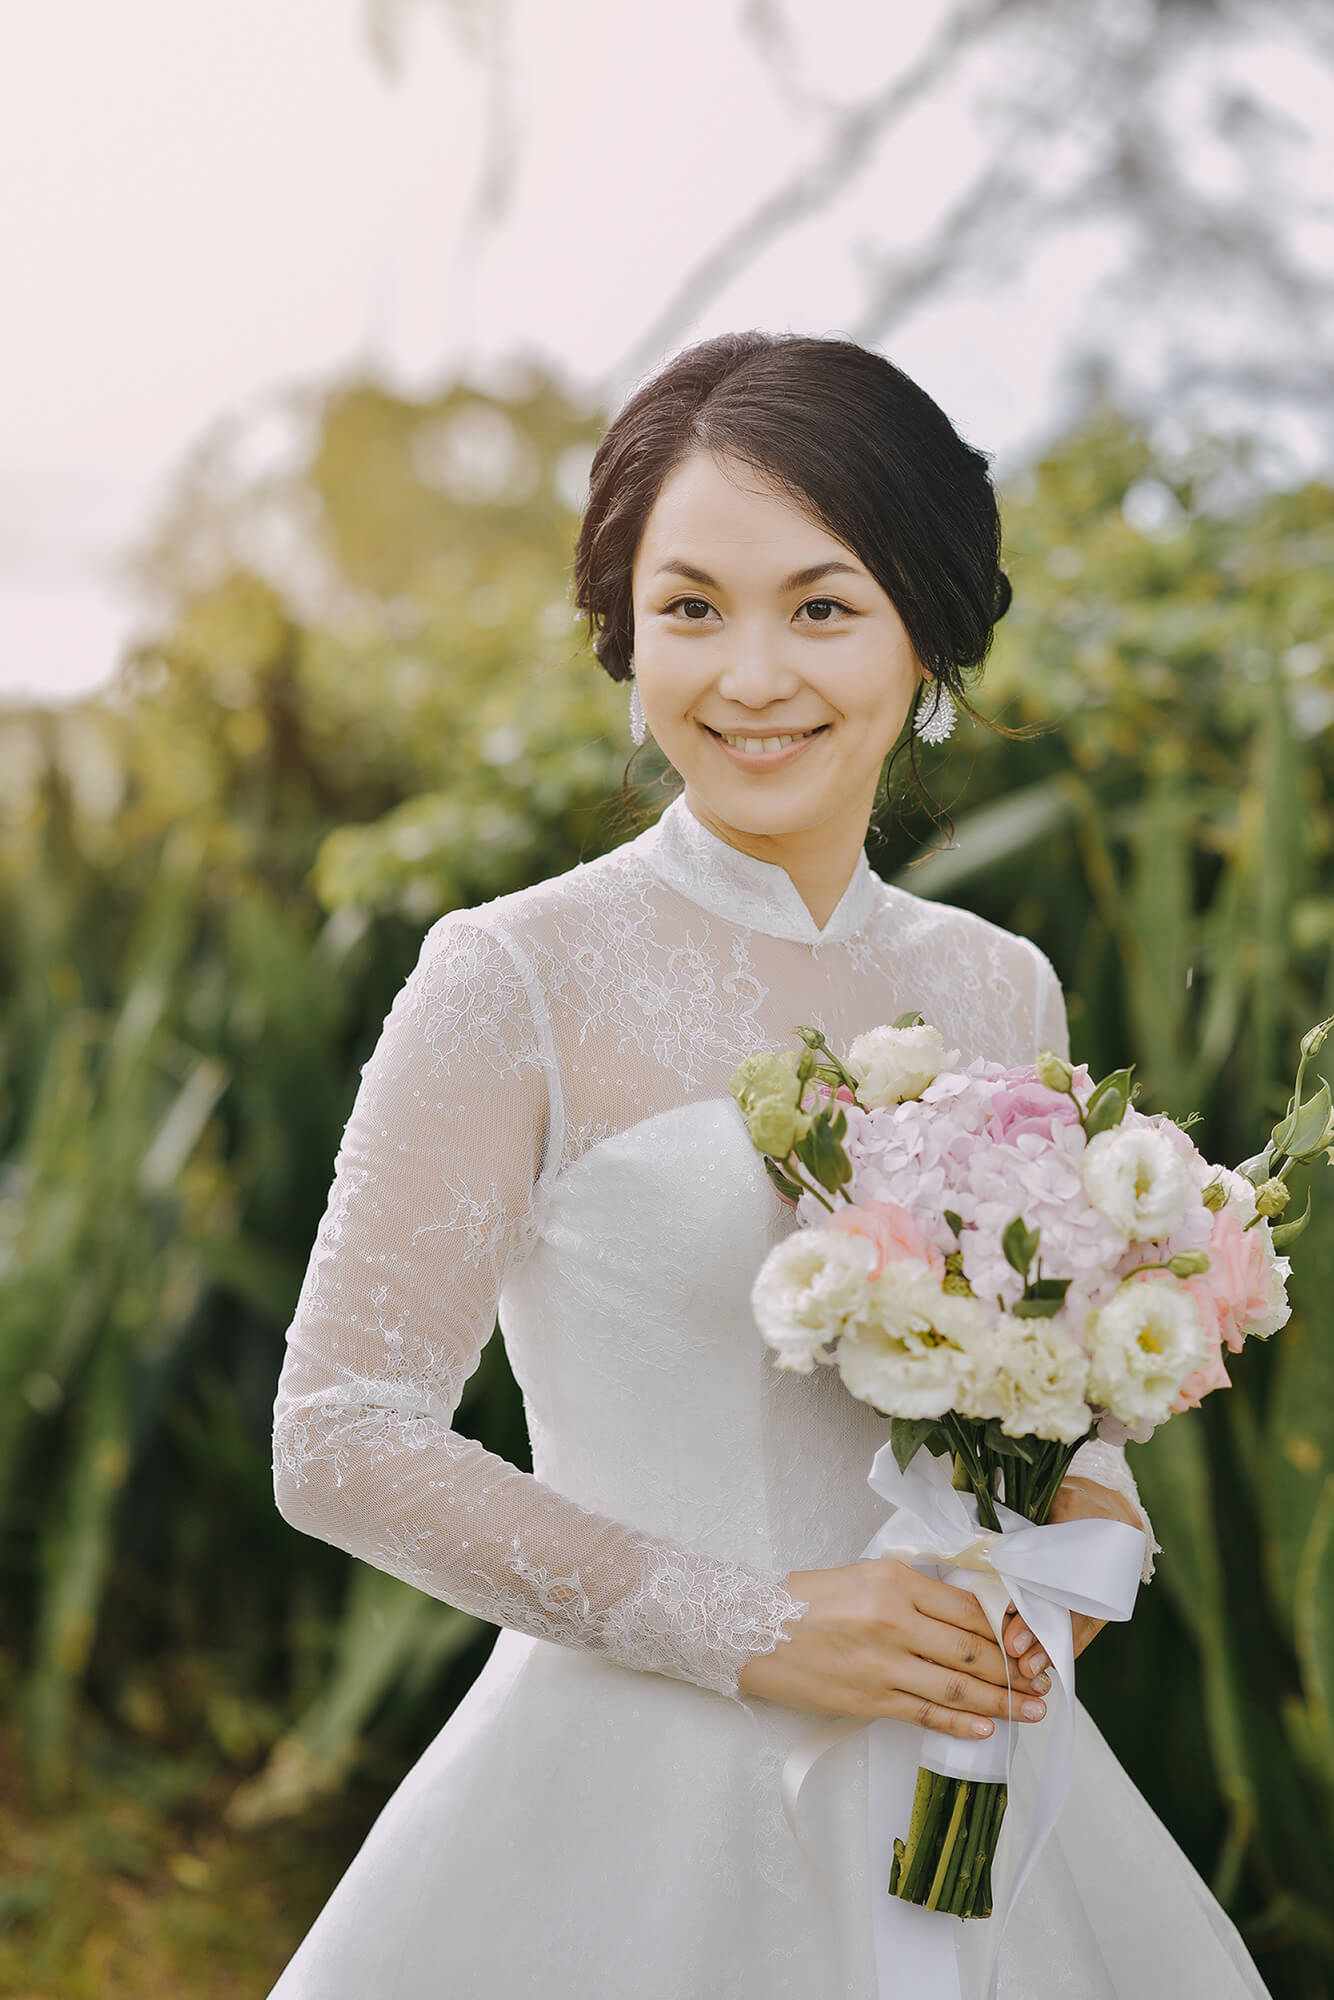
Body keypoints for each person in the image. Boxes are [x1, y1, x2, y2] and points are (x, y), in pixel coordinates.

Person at [265, 332, 1270, 1998]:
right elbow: (338, 1435)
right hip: (617, 1809)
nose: (748, 675)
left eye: (819, 606)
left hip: (971, 1780)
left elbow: (1046, 1387)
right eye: (687, 609)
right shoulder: (512, 971)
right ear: (622, 632)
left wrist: (1081, 1522)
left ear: (926, 631)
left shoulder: (992, 980)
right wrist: (751, 1628)